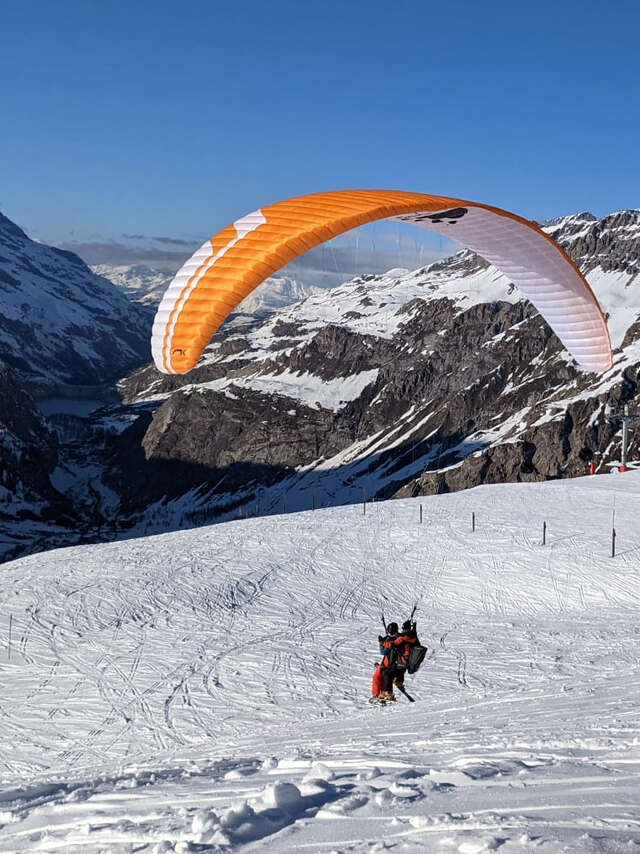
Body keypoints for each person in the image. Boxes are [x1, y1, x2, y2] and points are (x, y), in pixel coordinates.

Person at [373, 620, 419, 702]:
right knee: (394, 670)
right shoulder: (413, 638)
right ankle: (399, 681)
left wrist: (382, 642)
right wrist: (414, 627)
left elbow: (391, 645)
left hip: (399, 663)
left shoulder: (403, 638)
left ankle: (387, 693)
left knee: (386, 673)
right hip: (405, 664)